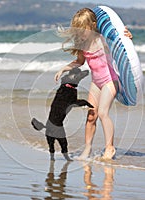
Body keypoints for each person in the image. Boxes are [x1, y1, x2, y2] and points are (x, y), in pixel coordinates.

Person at [54, 8, 133, 160]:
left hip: (110, 81)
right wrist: (64, 68)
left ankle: (110, 148)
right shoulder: (83, 44)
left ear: (93, 25)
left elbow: (122, 47)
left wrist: (128, 37)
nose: (81, 32)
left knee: (103, 112)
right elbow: (79, 62)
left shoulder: (103, 39)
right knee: (91, 115)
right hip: (96, 82)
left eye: (84, 29)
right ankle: (88, 148)